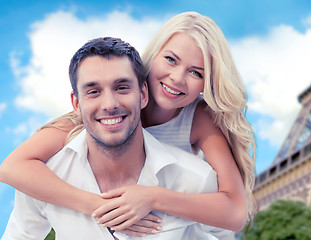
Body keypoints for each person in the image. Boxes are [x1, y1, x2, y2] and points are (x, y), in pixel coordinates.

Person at [0, 11, 256, 237]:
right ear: (153, 56)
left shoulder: (199, 119)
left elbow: (234, 213)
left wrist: (152, 197)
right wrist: (99, 206)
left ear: (207, 83)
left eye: (196, 72)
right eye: (171, 60)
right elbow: (11, 167)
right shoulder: (101, 114)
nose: (177, 78)